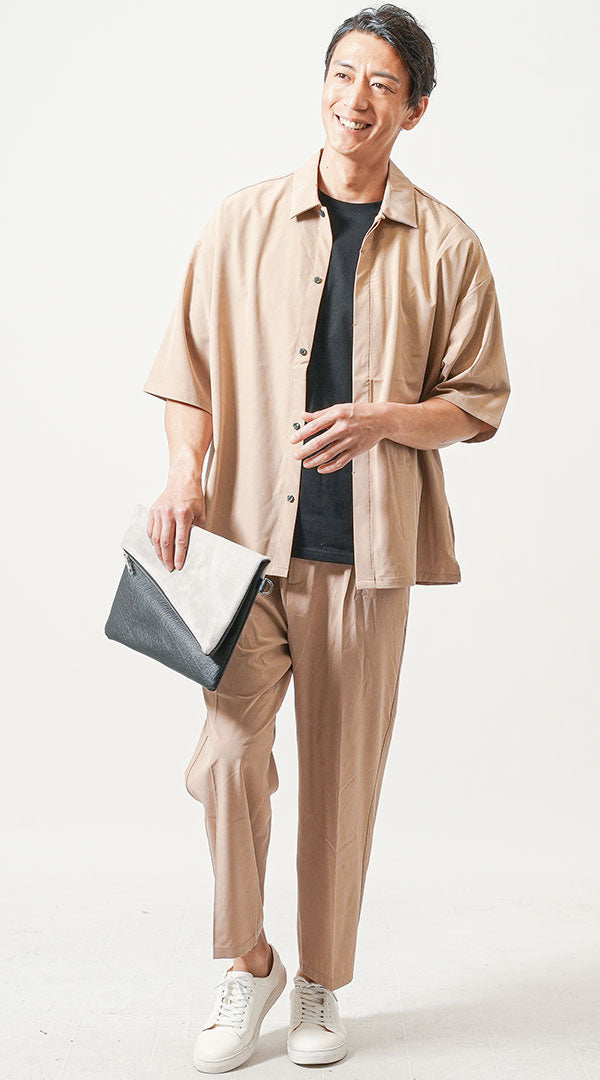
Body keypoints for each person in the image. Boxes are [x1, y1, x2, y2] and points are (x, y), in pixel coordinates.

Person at [142, 4, 511, 1072]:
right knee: (226, 759)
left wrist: (385, 418)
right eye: (343, 74)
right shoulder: (241, 222)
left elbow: (477, 402)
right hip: (241, 551)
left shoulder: (448, 245)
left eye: (382, 83)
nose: (357, 99)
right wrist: (183, 472)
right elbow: (186, 369)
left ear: (415, 109)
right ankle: (248, 961)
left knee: (341, 786)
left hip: (367, 558)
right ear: (322, 85)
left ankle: (319, 983)